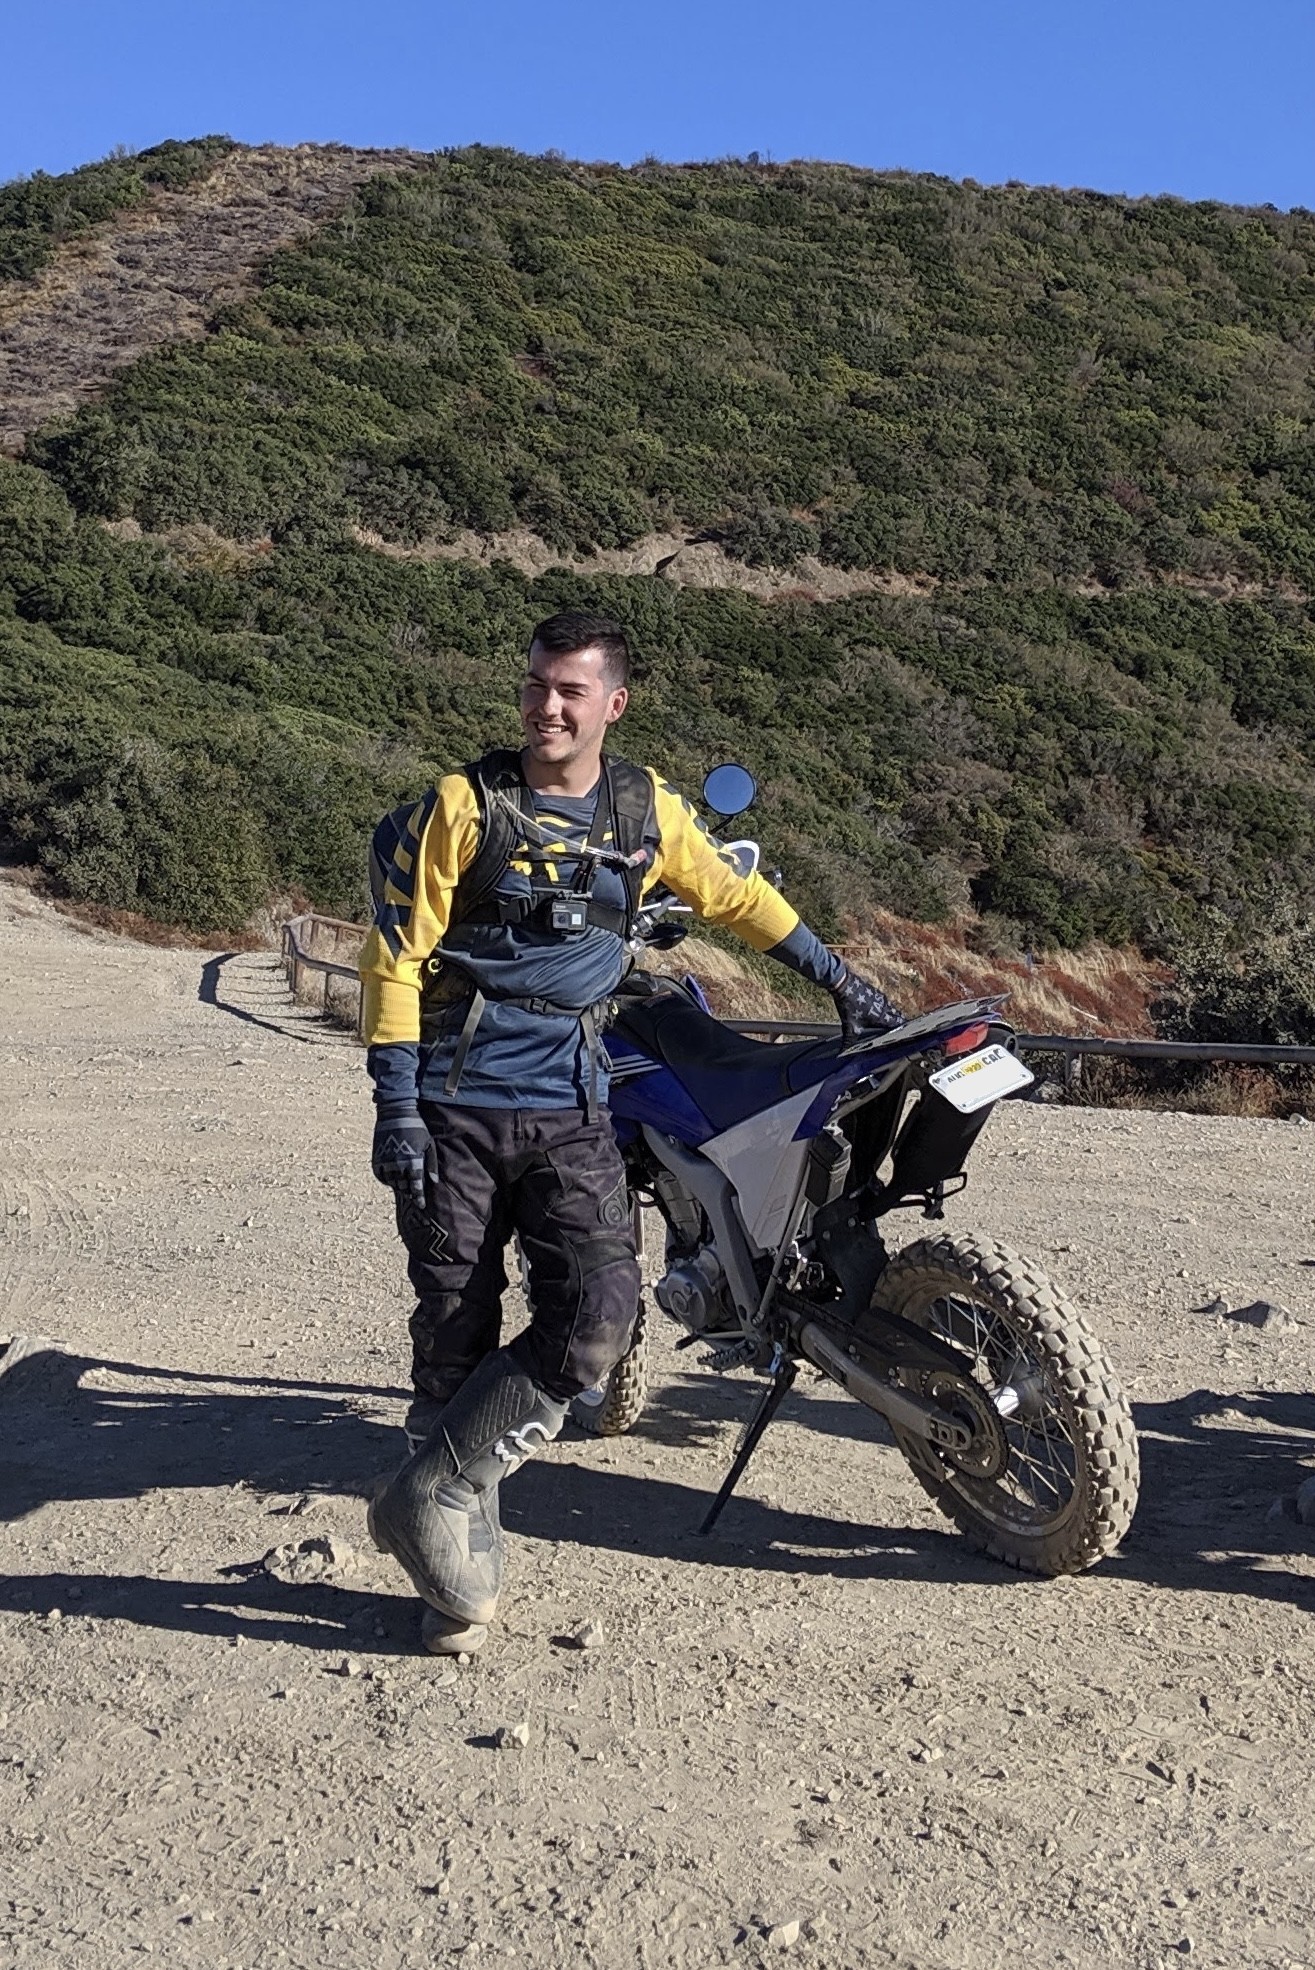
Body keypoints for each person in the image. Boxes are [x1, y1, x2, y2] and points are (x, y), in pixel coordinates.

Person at [360, 609, 903, 1654]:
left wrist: (841, 980)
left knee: (596, 1318)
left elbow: (736, 895)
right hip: (453, 1099)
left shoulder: (643, 807)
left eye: (569, 690)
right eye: (533, 684)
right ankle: (447, 1568)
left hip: (572, 1098)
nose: (544, 705)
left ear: (613, 703)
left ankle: (428, 1494)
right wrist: (394, 1104)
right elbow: (395, 955)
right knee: (453, 1321)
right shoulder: (463, 806)